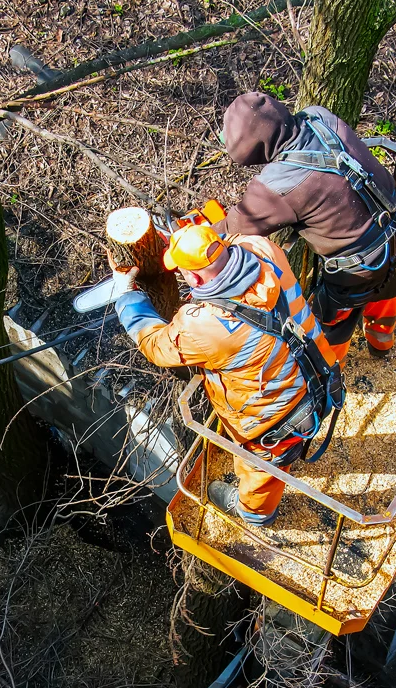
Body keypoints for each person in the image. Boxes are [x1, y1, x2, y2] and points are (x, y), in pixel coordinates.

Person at [111, 217, 338, 527]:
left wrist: (127, 297)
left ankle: (254, 513)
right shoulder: (261, 248)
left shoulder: (204, 325)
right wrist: (185, 238)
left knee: (260, 469)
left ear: (196, 279)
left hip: (273, 419)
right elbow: (227, 236)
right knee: (284, 447)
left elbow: (155, 344)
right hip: (319, 375)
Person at [219, 91, 396, 360]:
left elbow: (236, 226)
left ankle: (331, 374)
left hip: (358, 271)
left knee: (332, 325)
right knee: (387, 288)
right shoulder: (319, 117)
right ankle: (381, 345)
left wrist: (199, 232)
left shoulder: (276, 185)